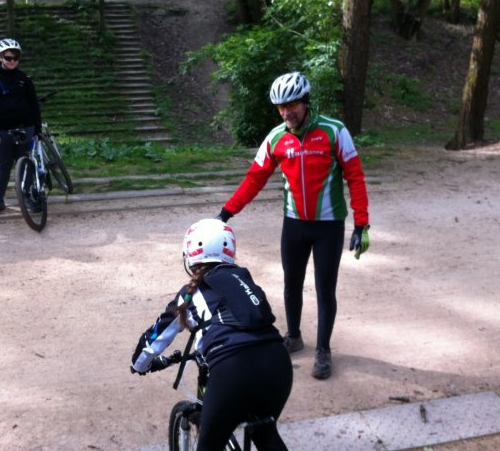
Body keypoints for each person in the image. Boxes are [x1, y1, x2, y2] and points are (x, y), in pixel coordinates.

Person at [215, 72, 370, 380]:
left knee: (326, 290)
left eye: (292, 105)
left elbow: (355, 176)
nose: (287, 112)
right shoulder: (275, 138)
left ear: (305, 102)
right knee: (291, 284)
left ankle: (323, 350)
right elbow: (254, 179)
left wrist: (361, 224)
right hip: (294, 225)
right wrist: (225, 213)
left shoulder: (334, 131)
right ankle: (295, 336)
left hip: (328, 226)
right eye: (281, 107)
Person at [131, 219, 293, 450]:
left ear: (190, 254)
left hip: (233, 369)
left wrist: (139, 365)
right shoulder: (242, 280)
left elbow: (156, 338)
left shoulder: (190, 294)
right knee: (264, 432)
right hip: (278, 363)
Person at [0, 38, 41, 217]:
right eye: (8, 57)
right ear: (0, 57)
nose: (12, 61)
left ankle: (27, 196)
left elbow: (34, 105)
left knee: (26, 164)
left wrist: (37, 129)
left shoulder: (24, 79)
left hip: (25, 128)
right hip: (2, 130)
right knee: (3, 166)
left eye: (15, 58)